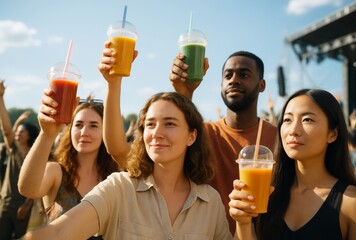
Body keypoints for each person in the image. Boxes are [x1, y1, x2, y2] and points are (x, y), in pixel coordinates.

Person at [22, 90, 235, 239]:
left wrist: (244, 223)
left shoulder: (211, 202)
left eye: (169, 123)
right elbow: (58, 232)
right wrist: (47, 134)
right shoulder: (119, 187)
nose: (156, 133)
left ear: (191, 136)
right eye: (149, 125)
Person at [229, 89, 356, 240]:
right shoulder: (267, 193)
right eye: (287, 120)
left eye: (307, 120)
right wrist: (243, 223)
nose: (293, 130)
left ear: (332, 134)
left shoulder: (353, 202)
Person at [169, 51, 277, 233]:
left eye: (244, 74)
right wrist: (184, 92)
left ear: (261, 85)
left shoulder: (279, 138)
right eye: (228, 75)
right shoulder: (203, 133)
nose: (234, 80)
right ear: (221, 85)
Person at [18, 94, 120, 239]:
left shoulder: (115, 178)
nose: (84, 132)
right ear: (70, 130)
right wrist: (46, 134)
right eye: (78, 125)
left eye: (93, 125)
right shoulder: (56, 171)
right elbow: (27, 189)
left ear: (105, 132)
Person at [0, 80, 39, 239]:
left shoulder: (35, 155)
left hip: (23, 207)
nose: (18, 133)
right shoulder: (13, 150)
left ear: (29, 134)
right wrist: (1, 98)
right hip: (5, 205)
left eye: (22, 131)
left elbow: (37, 180)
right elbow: (7, 129)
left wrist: (27, 204)